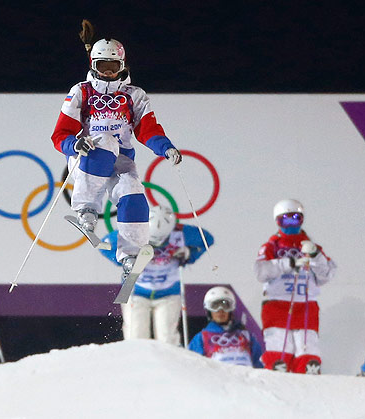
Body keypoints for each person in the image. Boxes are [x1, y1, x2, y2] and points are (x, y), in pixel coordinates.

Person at [51, 21, 182, 283]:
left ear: (122, 67)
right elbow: (60, 134)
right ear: (93, 66)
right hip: (88, 158)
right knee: (108, 141)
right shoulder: (81, 92)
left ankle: (131, 255)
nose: (108, 73)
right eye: (103, 67)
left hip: (120, 163)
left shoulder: (134, 95)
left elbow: (148, 128)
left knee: (133, 188)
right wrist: (73, 145)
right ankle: (86, 208)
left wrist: (165, 148)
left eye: (113, 68)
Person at [100, 205, 214, 344]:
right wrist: (123, 260)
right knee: (136, 337)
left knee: (167, 339)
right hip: (136, 292)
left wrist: (190, 254)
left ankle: (169, 365)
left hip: (168, 293)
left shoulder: (181, 233)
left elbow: (207, 239)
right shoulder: (132, 232)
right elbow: (104, 244)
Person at [253, 199, 336, 374]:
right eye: (286, 220)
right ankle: (277, 369)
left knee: (307, 346)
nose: (291, 224)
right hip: (277, 303)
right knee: (279, 345)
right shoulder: (271, 246)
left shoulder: (312, 247)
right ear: (277, 221)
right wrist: (288, 263)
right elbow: (261, 272)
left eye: (295, 219)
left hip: (305, 304)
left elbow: (327, 275)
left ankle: (308, 371)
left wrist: (315, 256)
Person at [188, 286, 263, 367]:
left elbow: (259, 363)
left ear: (231, 309)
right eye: (215, 306)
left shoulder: (246, 336)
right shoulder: (201, 338)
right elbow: (193, 366)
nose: (220, 310)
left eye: (225, 305)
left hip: (243, 378)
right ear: (209, 311)